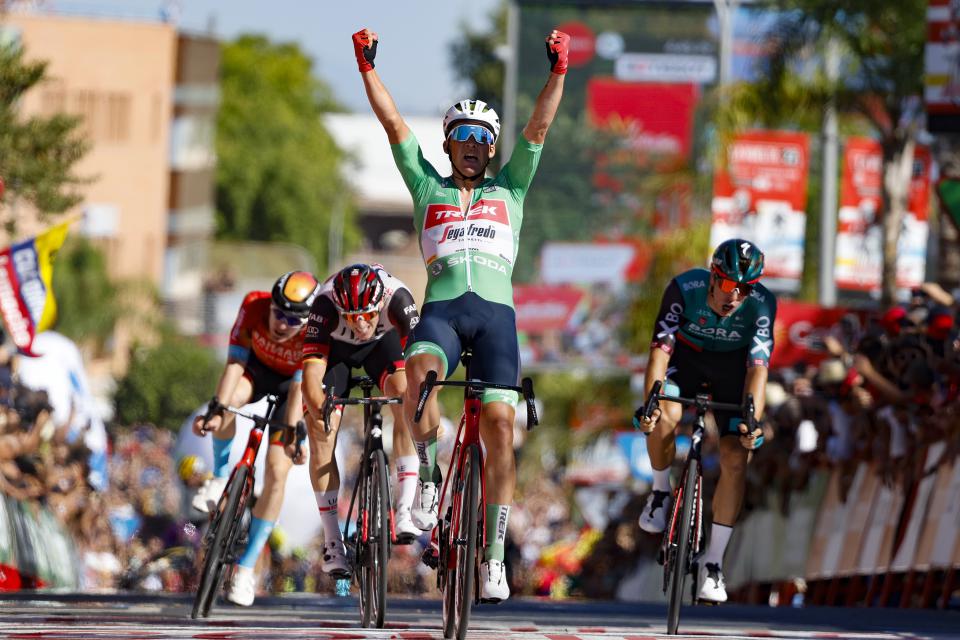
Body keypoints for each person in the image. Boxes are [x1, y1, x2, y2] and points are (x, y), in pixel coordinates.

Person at [352, 25, 568, 603]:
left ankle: (493, 558)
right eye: (462, 136)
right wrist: (367, 68)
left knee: (500, 426)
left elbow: (539, 128)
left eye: (482, 137)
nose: (473, 144)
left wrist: (558, 71)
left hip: (497, 318)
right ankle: (427, 475)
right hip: (443, 312)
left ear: (492, 148)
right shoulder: (428, 189)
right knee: (417, 376)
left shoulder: (511, 190)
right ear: (448, 145)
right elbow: (394, 126)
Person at [636, 238, 776, 603]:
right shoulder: (685, 288)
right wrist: (650, 404)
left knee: (736, 457)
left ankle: (714, 564)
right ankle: (660, 492)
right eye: (728, 283)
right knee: (664, 414)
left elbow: (758, 370)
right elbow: (659, 354)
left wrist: (753, 423)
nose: (735, 295)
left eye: (745, 287)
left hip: (733, 373)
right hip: (687, 362)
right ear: (713, 277)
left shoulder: (762, 304)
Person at [191, 270, 318, 606]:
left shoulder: (314, 333)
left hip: (292, 388)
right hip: (255, 372)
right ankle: (219, 478)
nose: (282, 324)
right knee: (228, 403)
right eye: (278, 314)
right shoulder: (253, 305)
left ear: (306, 322)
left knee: (277, 470)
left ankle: (245, 568)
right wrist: (216, 409)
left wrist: (294, 434)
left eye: (293, 320)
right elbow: (234, 364)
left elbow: (298, 390)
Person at [300, 263, 421, 578]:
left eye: (367, 315)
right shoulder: (325, 305)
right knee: (321, 432)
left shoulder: (398, 298)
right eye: (352, 317)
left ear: (379, 304)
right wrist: (322, 411)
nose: (361, 323)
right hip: (335, 355)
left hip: (382, 348)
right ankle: (332, 541)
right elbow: (311, 377)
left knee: (406, 396)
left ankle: (404, 508)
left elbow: (419, 364)